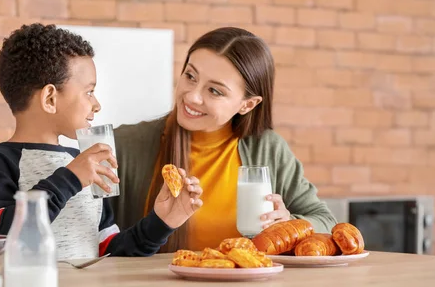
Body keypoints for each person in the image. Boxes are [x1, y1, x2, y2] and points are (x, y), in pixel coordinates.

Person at [0, 23, 203, 259]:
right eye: (89, 92)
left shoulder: (83, 162)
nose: (97, 105)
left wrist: (163, 221)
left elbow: (111, 249)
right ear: (50, 98)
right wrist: (70, 179)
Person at [112, 27, 337, 252]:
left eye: (215, 91)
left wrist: (289, 225)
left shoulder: (268, 149)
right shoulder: (124, 145)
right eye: (190, 76)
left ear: (247, 104)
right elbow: (91, 241)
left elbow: (326, 221)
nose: (191, 96)